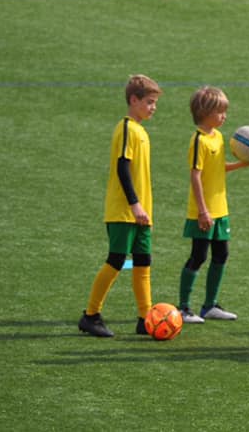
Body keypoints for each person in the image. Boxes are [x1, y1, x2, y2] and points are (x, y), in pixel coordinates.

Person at [78, 74, 162, 338]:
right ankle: (90, 315)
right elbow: (122, 168)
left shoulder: (141, 130)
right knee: (115, 260)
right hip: (125, 211)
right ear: (133, 100)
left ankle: (144, 317)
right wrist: (135, 204)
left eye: (154, 103)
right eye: (148, 102)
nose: (153, 107)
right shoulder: (126, 128)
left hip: (141, 213)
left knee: (143, 263)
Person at [177, 86, 249, 324]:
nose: (224, 116)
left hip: (221, 209)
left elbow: (219, 168)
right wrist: (202, 211)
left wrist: (245, 164)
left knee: (222, 254)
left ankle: (209, 306)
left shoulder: (218, 137)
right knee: (199, 256)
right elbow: (196, 175)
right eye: (220, 112)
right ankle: (183, 307)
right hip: (203, 211)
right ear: (205, 112)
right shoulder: (199, 140)